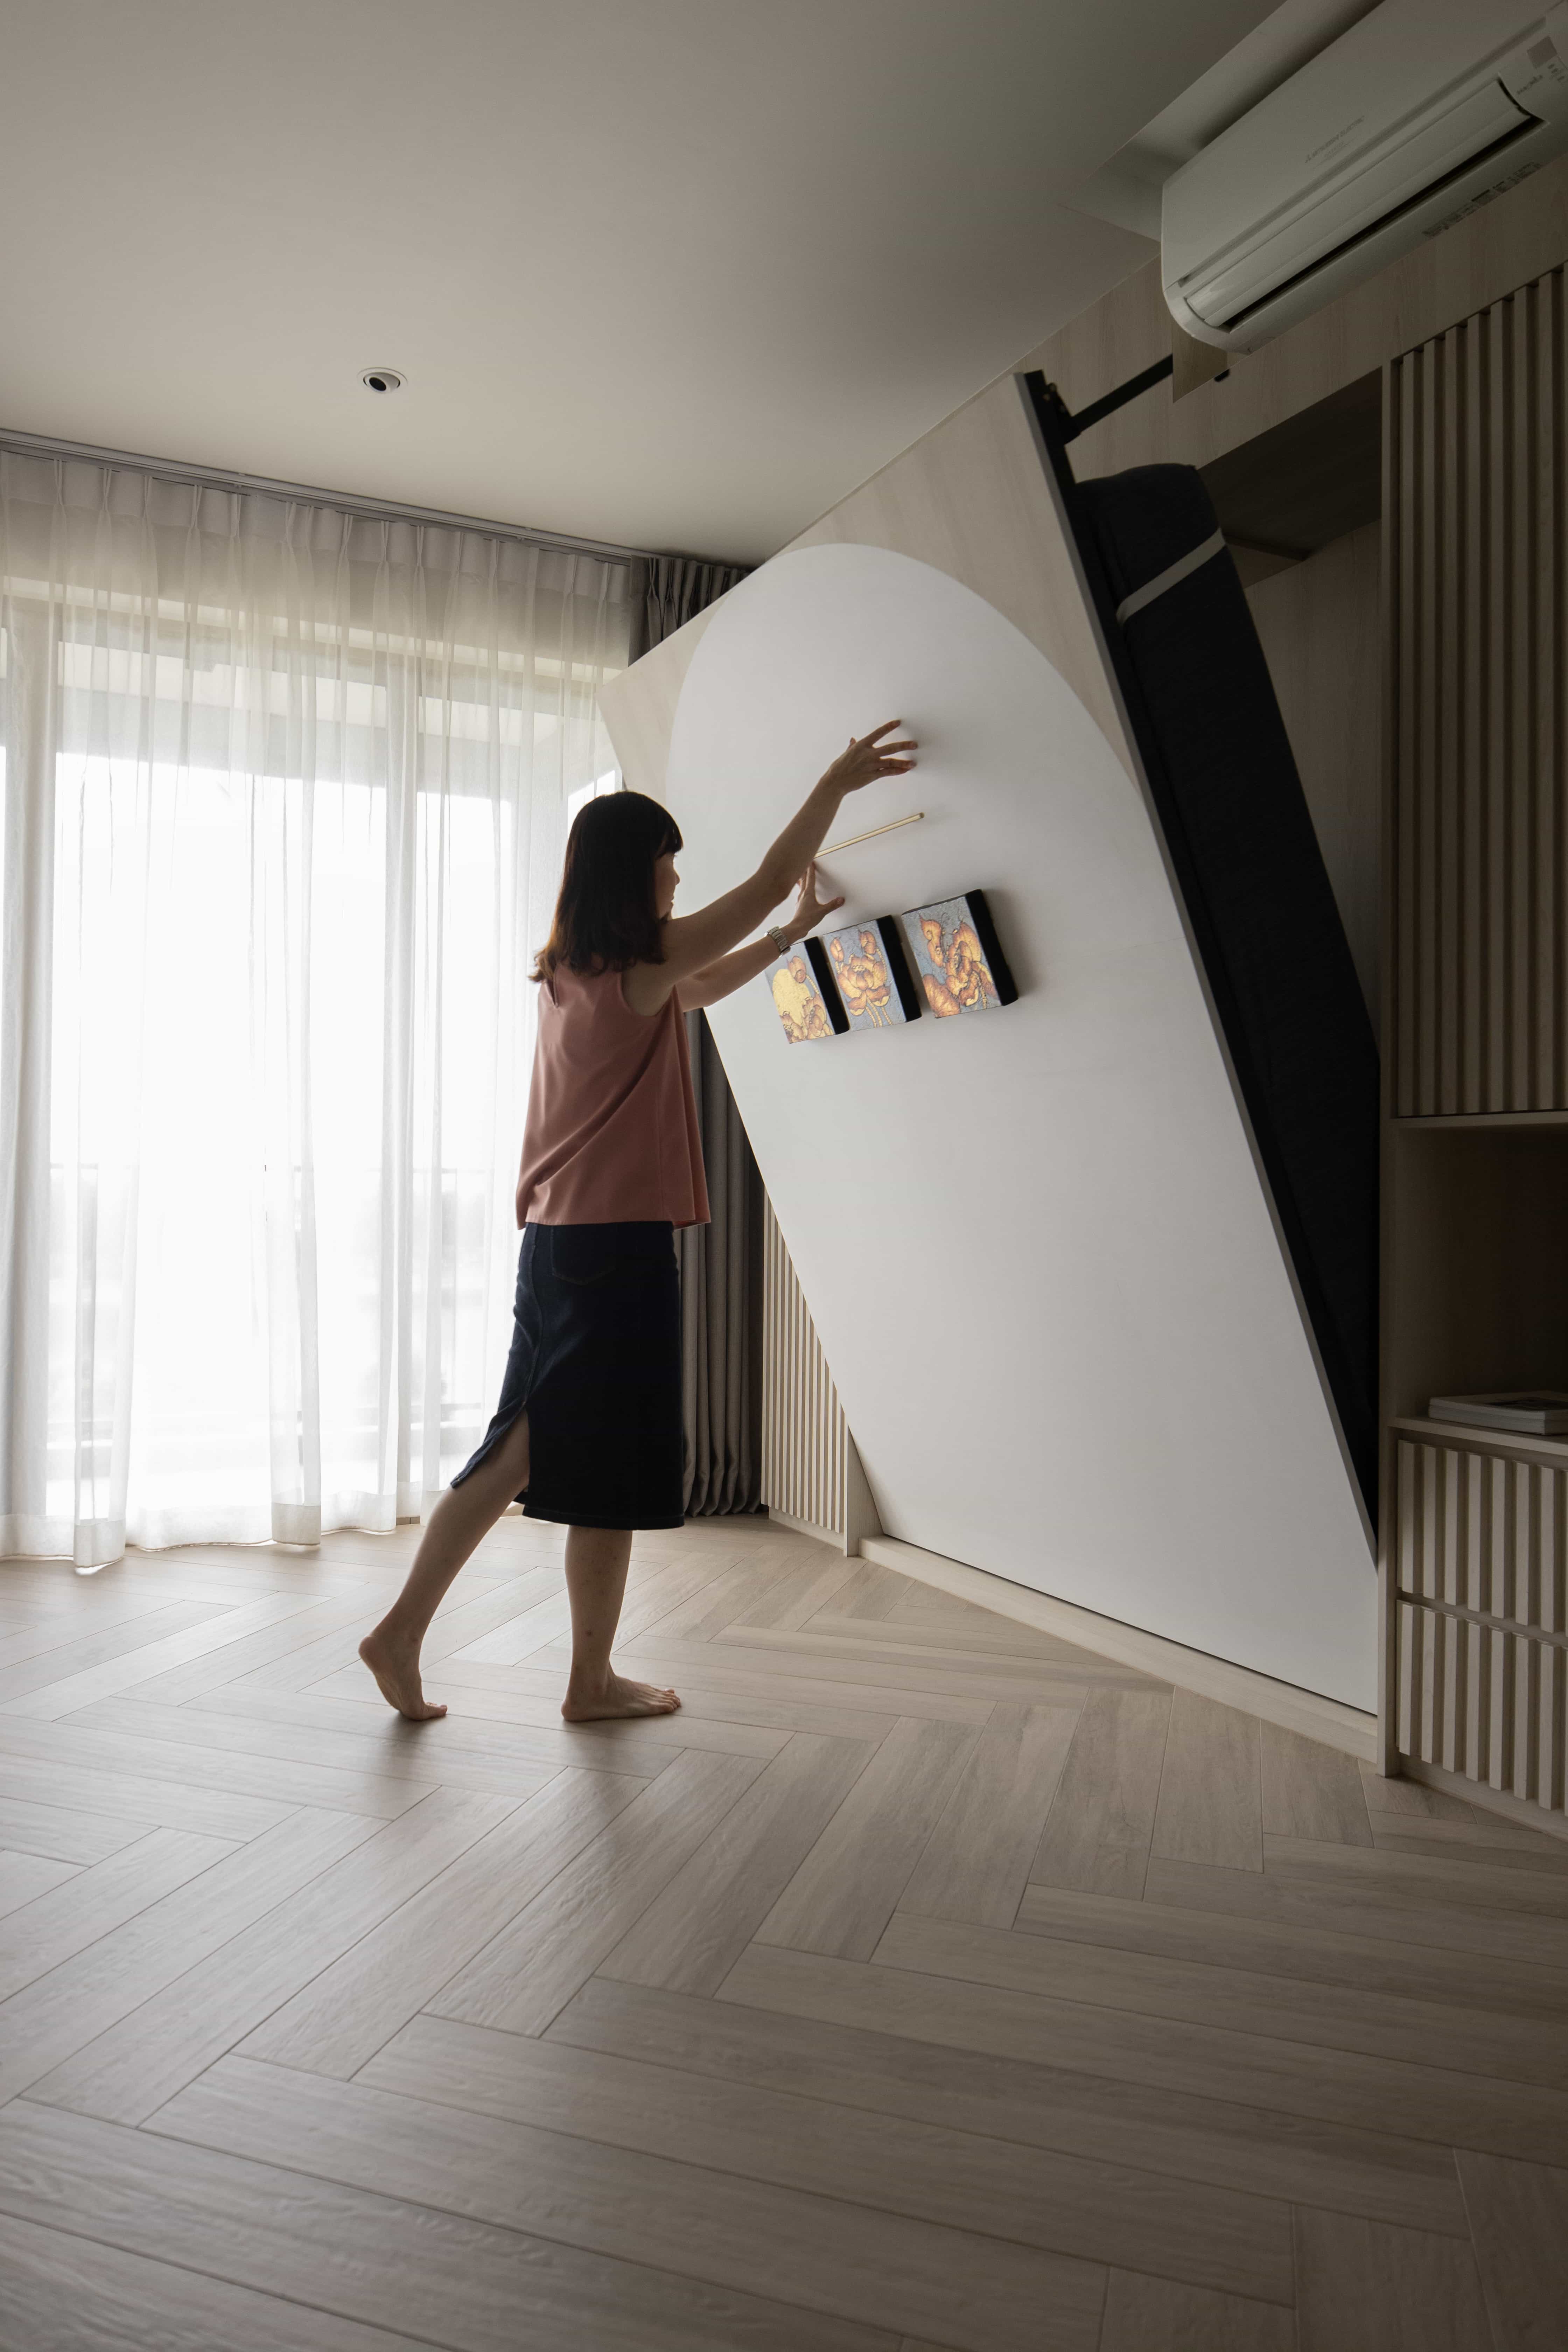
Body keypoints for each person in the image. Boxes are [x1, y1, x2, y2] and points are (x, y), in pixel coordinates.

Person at [359, 718, 918, 1722]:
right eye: (667, 864)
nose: (674, 882)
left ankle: (559, 1673)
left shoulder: (578, 973)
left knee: (549, 1456)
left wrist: (789, 937)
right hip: (611, 1253)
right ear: (636, 873)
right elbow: (754, 884)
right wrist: (834, 779)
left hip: (563, 1247)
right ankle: (447, 1645)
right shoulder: (634, 961)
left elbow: (698, 986)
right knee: (544, 1457)